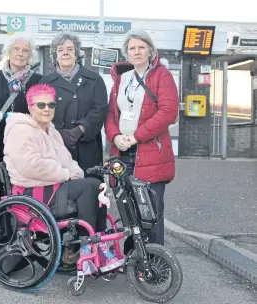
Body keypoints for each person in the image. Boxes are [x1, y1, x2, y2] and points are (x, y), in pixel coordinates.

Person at [3, 84, 124, 274]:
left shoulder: (51, 131)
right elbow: (30, 165)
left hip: (51, 186)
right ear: (30, 107)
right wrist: (66, 174)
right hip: (32, 192)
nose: (47, 109)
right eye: (41, 105)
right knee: (88, 187)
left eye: (51, 105)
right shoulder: (21, 130)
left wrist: (75, 172)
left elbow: (68, 160)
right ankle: (87, 248)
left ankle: (96, 243)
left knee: (96, 184)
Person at [105, 29, 179, 253]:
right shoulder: (121, 79)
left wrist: (135, 136)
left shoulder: (161, 76)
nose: (136, 52)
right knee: (129, 211)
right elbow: (110, 114)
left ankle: (154, 264)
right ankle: (133, 259)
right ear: (126, 52)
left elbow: (168, 112)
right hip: (123, 153)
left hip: (150, 153)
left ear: (150, 50)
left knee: (151, 213)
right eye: (132, 48)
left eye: (141, 47)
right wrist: (115, 137)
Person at [0, 34, 43, 213]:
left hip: (26, 141)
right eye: (16, 49)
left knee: (23, 183)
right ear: (8, 51)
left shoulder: (37, 80)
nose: (20, 54)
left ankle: (22, 225)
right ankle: (0, 224)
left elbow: (41, 110)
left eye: (25, 51)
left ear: (30, 55)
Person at [39, 32, 108, 175]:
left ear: (77, 53)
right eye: (60, 50)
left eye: (70, 49)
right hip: (56, 146)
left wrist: (80, 129)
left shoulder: (94, 80)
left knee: (89, 191)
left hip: (86, 147)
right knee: (59, 193)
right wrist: (58, 133)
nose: (65, 53)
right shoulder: (45, 83)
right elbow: (39, 114)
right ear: (55, 55)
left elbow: (100, 110)